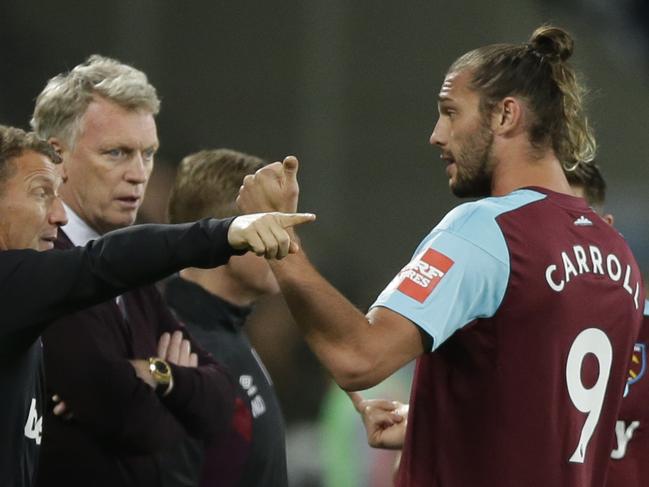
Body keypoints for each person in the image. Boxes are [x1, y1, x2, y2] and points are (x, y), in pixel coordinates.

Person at [237, 26, 644, 486]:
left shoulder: (488, 229)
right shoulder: (617, 254)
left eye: (451, 112)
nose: (436, 135)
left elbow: (358, 357)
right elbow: (547, 409)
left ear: (506, 115)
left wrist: (278, 240)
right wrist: (435, 424)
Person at [29, 54, 312, 487]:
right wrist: (175, 385)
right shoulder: (41, 266)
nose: (138, 174)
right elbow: (137, 422)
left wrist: (158, 376)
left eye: (148, 154)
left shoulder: (133, 275)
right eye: (117, 153)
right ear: (56, 155)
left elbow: (218, 406)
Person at [159, 148, 288, 486]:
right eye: (273, 225)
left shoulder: (226, 334)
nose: (288, 244)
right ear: (223, 235)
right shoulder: (180, 346)